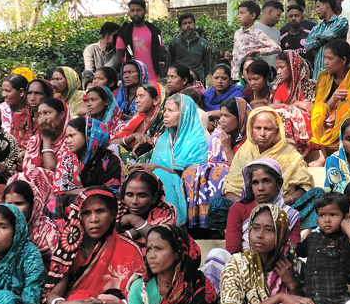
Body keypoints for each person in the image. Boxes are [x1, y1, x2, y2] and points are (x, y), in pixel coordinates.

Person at [217, 107, 320, 230]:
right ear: (251, 129)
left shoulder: (290, 155)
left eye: (267, 129)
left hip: (283, 209)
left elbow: (303, 188)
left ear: (277, 131)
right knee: (217, 204)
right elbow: (230, 187)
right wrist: (251, 206)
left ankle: (293, 234)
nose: (262, 133)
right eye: (258, 128)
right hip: (248, 211)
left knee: (317, 194)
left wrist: (279, 202)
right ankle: (242, 232)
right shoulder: (243, 153)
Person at [132, 94, 207, 224]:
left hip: (183, 183)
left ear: (185, 113)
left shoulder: (197, 140)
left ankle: (170, 221)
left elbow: (191, 173)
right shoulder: (164, 138)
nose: (165, 115)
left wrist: (157, 168)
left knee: (161, 175)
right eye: (165, 110)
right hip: (158, 176)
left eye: (171, 111)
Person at [297, 193, 350, 304]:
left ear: (344, 216)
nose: (327, 220)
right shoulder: (312, 238)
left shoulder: (344, 241)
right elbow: (296, 251)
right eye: (322, 215)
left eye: (333, 215)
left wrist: (344, 222)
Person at [182, 96, 250, 228]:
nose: (221, 120)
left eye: (227, 116)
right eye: (221, 115)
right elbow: (211, 164)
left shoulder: (249, 142)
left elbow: (239, 172)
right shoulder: (218, 135)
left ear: (241, 118)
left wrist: (227, 148)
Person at [224, 159, 301, 254]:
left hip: (277, 264)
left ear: (279, 184)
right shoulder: (238, 209)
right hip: (242, 263)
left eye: (266, 181)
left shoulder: (289, 215)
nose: (260, 188)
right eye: (255, 182)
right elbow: (233, 250)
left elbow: (293, 251)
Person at [310, 39, 350, 155]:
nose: (325, 62)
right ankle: (322, 149)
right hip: (328, 118)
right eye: (324, 58)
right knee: (318, 108)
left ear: (343, 60)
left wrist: (338, 115)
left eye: (330, 58)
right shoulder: (323, 76)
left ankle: (340, 150)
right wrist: (333, 100)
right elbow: (320, 105)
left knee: (347, 105)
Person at [52, 117, 124, 214]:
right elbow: (61, 190)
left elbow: (110, 193)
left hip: (103, 205)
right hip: (75, 203)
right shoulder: (68, 159)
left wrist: (81, 191)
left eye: (72, 136)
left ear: (88, 135)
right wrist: (89, 191)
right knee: (55, 203)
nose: (68, 141)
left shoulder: (111, 161)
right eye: (67, 137)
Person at [117, 171, 178, 250]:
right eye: (129, 195)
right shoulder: (117, 209)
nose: (134, 201)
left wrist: (133, 219)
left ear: (154, 198)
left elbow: (160, 240)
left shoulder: (166, 211)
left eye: (142, 196)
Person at [269, 51, 314, 156]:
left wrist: (289, 108)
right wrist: (296, 104)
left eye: (282, 67)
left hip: (306, 129)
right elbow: (273, 108)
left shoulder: (310, 86)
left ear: (293, 67)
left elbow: (310, 111)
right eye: (277, 68)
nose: (278, 72)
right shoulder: (280, 87)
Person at [113, 82, 166, 168]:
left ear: (156, 100)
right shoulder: (137, 120)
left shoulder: (164, 124)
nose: (136, 101)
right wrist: (132, 136)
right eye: (137, 96)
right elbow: (111, 143)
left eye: (141, 96)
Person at [2, 180, 59, 256]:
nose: (13, 209)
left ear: (32, 206)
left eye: (19, 203)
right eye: (8, 204)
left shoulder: (48, 231)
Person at [228, 0, 280, 80]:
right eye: (238, 13)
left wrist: (257, 51)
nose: (238, 16)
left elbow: (276, 48)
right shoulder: (237, 33)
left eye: (242, 13)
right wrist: (230, 56)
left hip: (247, 78)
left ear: (252, 15)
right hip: (234, 76)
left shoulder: (257, 33)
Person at [116, 0, 165, 81]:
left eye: (138, 10)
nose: (135, 13)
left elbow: (161, 52)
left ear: (145, 11)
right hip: (133, 80)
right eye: (132, 10)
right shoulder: (124, 33)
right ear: (129, 13)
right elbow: (120, 56)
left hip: (153, 78)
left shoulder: (155, 32)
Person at [304, 0, 350, 78]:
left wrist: (316, 37)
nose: (316, 10)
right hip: (318, 76)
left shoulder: (342, 21)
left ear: (326, 5)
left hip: (337, 76)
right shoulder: (316, 28)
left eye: (318, 6)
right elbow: (307, 45)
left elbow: (331, 35)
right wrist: (324, 38)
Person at [22, 97, 70, 172]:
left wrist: (46, 138)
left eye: (46, 113)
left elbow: (51, 170)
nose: (42, 118)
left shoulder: (70, 140)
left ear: (62, 115)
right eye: (39, 115)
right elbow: (27, 171)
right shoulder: (35, 140)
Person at [166, 13, 212, 81]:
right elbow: (169, 63)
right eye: (184, 23)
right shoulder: (174, 42)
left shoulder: (203, 43)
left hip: (197, 81)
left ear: (194, 24)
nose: (187, 25)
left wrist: (200, 78)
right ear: (180, 27)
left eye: (190, 23)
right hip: (179, 81)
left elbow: (207, 65)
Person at [0, 73, 34, 151]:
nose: (3, 95)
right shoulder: (1, 110)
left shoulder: (33, 111)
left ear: (21, 92)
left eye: (7, 91)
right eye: (3, 90)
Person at [255, 0, 284, 68]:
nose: (279, 19)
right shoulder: (252, 29)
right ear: (270, 11)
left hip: (275, 75)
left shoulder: (277, 32)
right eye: (278, 15)